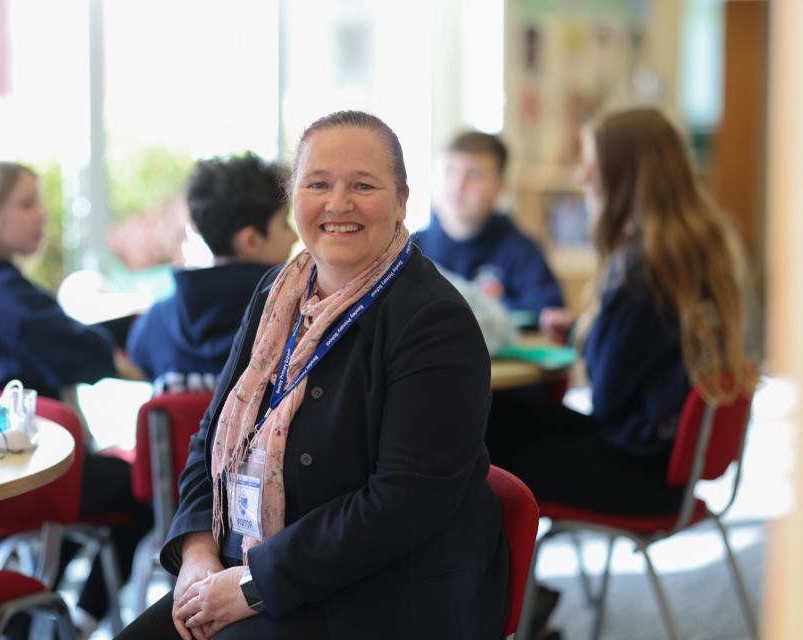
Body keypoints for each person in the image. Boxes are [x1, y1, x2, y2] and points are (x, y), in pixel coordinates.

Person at [117, 111, 509, 639]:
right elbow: (212, 435)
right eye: (318, 184)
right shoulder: (277, 294)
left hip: (381, 594)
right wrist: (197, 553)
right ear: (293, 197)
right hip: (248, 566)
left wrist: (254, 585)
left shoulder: (433, 320)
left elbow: (401, 508)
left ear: (402, 202)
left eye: (363, 185)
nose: (338, 203)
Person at [485, 108, 756, 637]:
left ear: (626, 174)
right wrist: (595, 329)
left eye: (593, 165)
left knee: (488, 441)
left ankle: (502, 609)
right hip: (668, 460)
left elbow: (606, 396)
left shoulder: (640, 267)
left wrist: (597, 332)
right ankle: (518, 601)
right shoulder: (698, 245)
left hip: (638, 474)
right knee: (514, 416)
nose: (583, 176)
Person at [0, 161, 152, 637]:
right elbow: (77, 352)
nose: (41, 217)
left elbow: (62, 340)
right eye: (26, 204)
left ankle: (32, 618)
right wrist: (125, 349)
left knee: (94, 491)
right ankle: (82, 623)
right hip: (27, 478)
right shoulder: (8, 297)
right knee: (142, 489)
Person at [126, 152, 297, 393]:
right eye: (284, 224)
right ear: (250, 240)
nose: (294, 236)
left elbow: (138, 358)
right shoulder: (296, 320)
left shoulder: (155, 323)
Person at [414, 130, 569, 333]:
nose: (457, 185)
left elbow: (547, 313)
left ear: (501, 187)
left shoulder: (521, 250)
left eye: (474, 174)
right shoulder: (413, 249)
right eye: (449, 171)